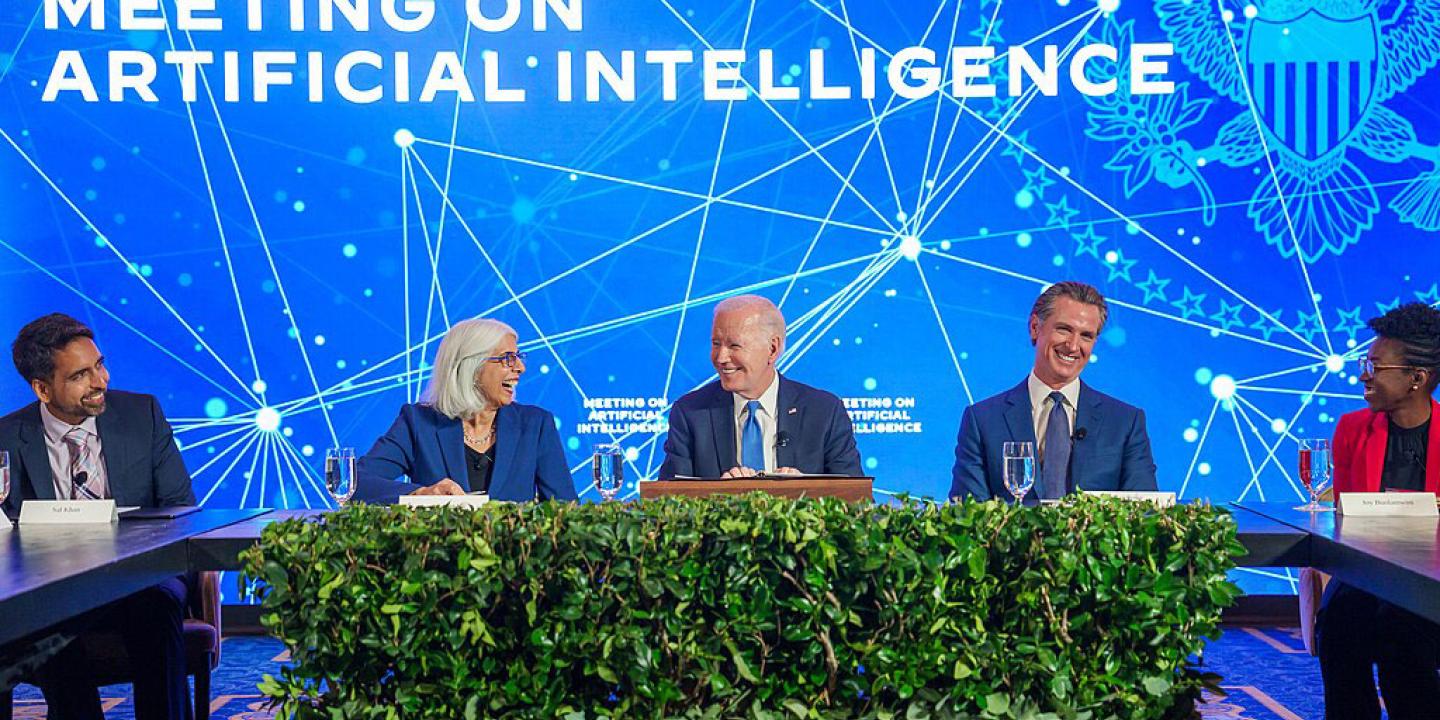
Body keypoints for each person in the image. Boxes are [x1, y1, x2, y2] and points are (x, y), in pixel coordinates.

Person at [0, 312, 194, 720]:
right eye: (80, 376)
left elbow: (181, 507)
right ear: (42, 389)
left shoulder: (143, 415)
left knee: (156, 610)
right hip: (51, 585)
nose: (100, 382)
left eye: (100, 366)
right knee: (51, 619)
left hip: (140, 576)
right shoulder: (7, 437)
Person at [1317, 302, 1440, 720]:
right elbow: (1346, 521)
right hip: (1367, 573)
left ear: (1416, 380)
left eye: (1375, 366)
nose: (1362, 375)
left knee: (1402, 629)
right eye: (1364, 363)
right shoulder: (1352, 430)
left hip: (1433, 582)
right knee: (1338, 622)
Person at [949, 281, 1156, 503]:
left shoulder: (1125, 422)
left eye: (1086, 335)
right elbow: (968, 516)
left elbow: (1144, 515)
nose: (1073, 346)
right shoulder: (983, 420)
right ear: (1035, 327)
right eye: (1064, 329)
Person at [355, 318, 578, 503]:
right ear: (471, 366)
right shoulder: (418, 423)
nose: (520, 368)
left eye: (518, 357)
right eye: (507, 359)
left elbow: (566, 510)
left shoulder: (535, 425)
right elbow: (356, 483)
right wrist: (419, 494)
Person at [659, 295, 861, 479]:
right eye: (716, 343)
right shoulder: (691, 413)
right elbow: (668, 504)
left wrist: (805, 493)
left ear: (772, 349)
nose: (721, 357)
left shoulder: (824, 412)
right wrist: (721, 497)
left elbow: (857, 502)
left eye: (734, 346)